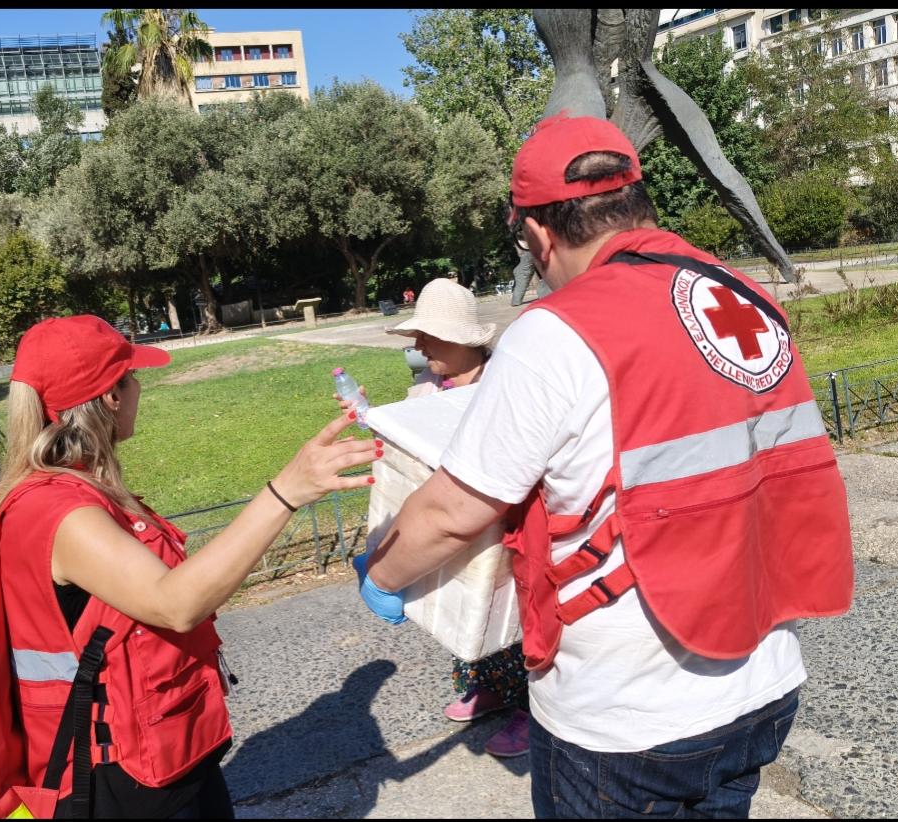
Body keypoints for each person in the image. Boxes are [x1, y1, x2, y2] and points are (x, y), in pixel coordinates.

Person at [354, 113, 853, 818]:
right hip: (762, 684)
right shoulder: (740, 296)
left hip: (629, 717)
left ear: (537, 234)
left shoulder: (556, 331)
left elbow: (452, 514)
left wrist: (382, 571)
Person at [0, 314, 378, 818]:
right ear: (111, 397)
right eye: (133, 377)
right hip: (122, 779)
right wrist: (287, 490)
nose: (139, 388)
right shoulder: (61, 512)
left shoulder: (71, 488)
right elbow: (175, 604)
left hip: (153, 750)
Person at [339, 277, 531, 758]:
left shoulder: (503, 385)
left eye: (430, 336)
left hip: (498, 523)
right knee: (462, 603)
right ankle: (488, 687)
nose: (420, 346)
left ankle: (531, 712)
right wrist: (368, 416)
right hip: (447, 519)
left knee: (510, 615)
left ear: (463, 340)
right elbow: (407, 443)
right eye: (417, 336)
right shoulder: (426, 388)